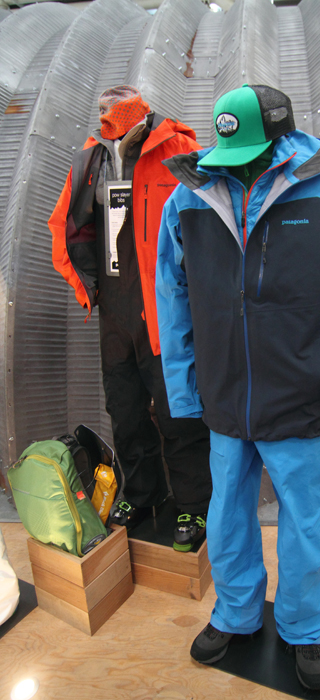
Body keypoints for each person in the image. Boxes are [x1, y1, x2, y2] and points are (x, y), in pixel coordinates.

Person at [156, 84, 320, 689]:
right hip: (224, 395)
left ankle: (303, 625)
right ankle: (236, 612)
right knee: (226, 515)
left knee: (302, 521)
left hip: (296, 396)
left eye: (247, 151)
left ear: (279, 137)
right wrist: (186, 387)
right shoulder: (188, 196)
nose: (234, 164)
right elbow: (173, 298)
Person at [48, 86, 212, 550]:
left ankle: (194, 504)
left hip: (166, 307)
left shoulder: (178, 149)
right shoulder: (91, 159)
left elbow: (209, 224)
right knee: (124, 410)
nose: (108, 120)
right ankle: (143, 493)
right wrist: (87, 288)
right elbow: (64, 224)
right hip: (115, 308)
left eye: (116, 114)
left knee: (179, 411)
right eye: (103, 114)